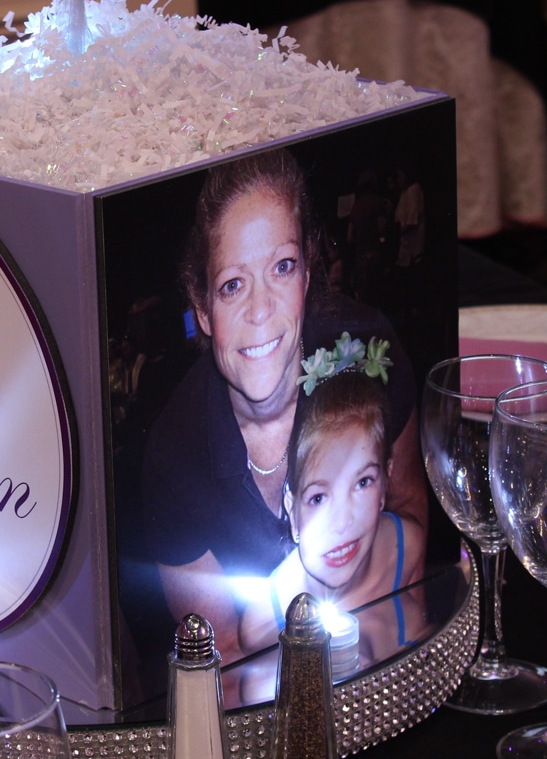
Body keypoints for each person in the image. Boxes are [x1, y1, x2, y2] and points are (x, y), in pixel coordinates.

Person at [133, 148, 428, 669]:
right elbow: (222, 658)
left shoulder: (369, 353)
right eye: (232, 285)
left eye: (282, 267)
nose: (261, 309)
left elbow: (410, 527)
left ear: (308, 274)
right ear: (203, 309)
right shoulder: (174, 458)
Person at [238, 369, 424, 656]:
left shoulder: (406, 546)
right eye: (318, 498)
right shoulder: (264, 624)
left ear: (386, 480)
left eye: (363, 482)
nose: (342, 523)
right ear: (293, 511)